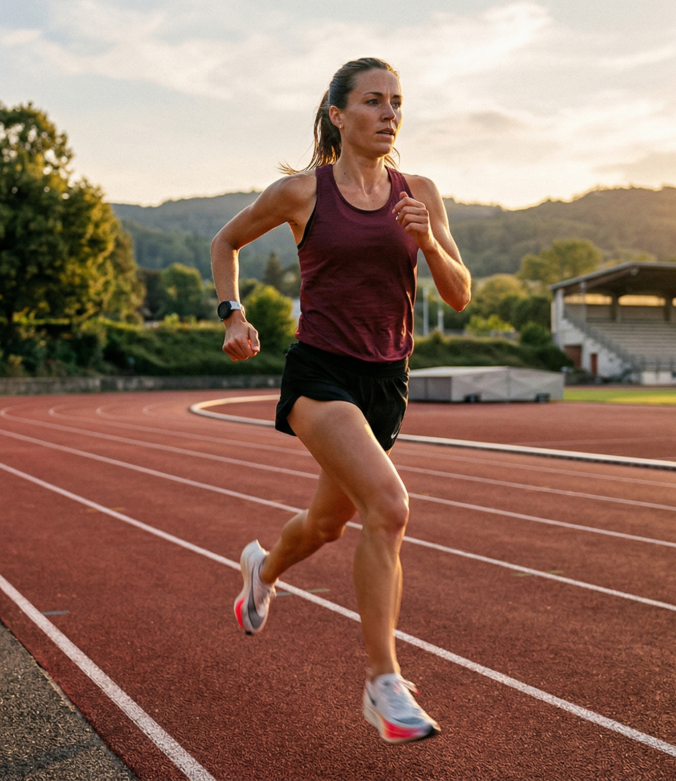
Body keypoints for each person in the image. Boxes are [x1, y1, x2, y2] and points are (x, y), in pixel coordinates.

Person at [211, 57, 471, 744]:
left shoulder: (420, 192)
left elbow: (460, 293)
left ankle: (260, 571)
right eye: (373, 102)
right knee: (389, 507)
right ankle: (382, 681)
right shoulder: (302, 193)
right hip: (320, 375)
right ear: (338, 115)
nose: (389, 114)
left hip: (387, 384)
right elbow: (225, 241)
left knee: (326, 525)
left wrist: (428, 244)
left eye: (397, 102)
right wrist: (232, 315)